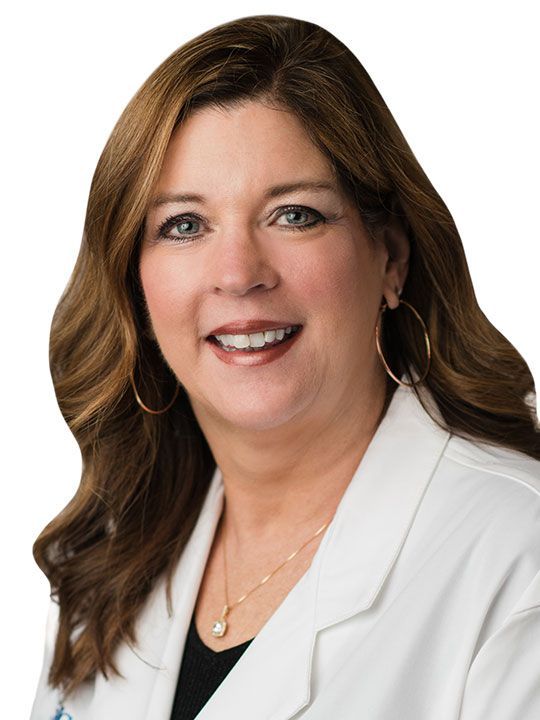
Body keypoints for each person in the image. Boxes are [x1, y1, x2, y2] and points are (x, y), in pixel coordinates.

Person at [30, 14, 540, 720]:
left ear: (389, 257)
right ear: (134, 286)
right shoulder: (114, 567)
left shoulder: (517, 561)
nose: (238, 274)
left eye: (294, 214)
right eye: (183, 225)